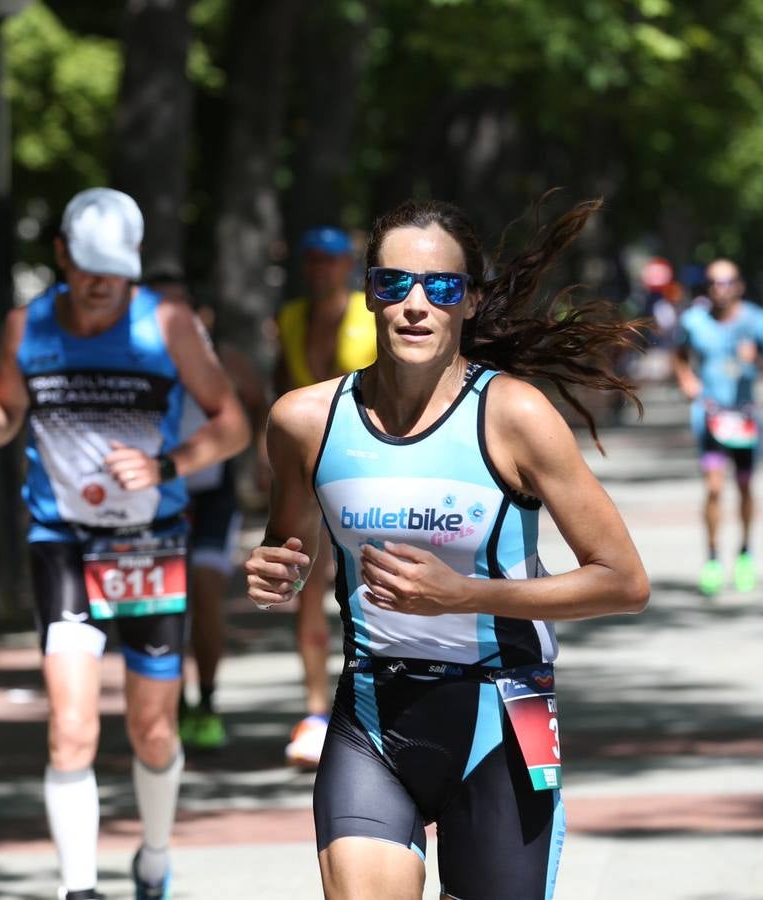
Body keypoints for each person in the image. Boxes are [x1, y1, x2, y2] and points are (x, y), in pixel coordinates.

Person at [245, 197, 650, 899]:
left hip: (502, 716)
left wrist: (469, 596)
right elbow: (289, 543)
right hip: (373, 713)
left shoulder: (515, 415)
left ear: (469, 302)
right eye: (393, 283)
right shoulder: (304, 421)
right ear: (367, 293)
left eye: (442, 287)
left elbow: (623, 580)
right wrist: (274, 566)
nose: (415, 304)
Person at [0, 188, 250, 900]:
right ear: (61, 255)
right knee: (72, 728)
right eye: (86, 266)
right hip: (63, 541)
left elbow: (233, 424)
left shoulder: (168, 323)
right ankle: (78, 889)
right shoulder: (27, 326)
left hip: (150, 541)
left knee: (152, 732)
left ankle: (152, 856)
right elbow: (2, 424)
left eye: (114, 268)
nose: (100, 282)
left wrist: (167, 465)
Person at [146, 271, 271, 751]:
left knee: (205, 593)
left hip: (211, 495)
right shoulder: (140, 361)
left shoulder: (225, 362)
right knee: (164, 603)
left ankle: (208, 699)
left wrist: (261, 458)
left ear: (199, 314)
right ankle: (170, 704)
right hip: (156, 497)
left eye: (180, 305)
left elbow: (258, 407)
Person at [273, 225, 377, 768]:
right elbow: (281, 389)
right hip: (310, 466)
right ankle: (316, 709)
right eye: (312, 260)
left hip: (367, 465)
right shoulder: (291, 318)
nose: (320, 270)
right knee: (306, 585)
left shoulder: (370, 312)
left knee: (370, 582)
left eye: (330, 260)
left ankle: (370, 700)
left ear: (347, 265)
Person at [671, 259, 763, 597]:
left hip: (745, 419)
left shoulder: (757, 321)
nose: (721, 289)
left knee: (745, 487)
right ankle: (711, 558)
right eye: (714, 282)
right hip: (710, 417)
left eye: (727, 282)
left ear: (739, 285)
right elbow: (678, 354)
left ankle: (746, 552)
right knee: (714, 488)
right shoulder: (694, 321)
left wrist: (758, 360)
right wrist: (686, 379)